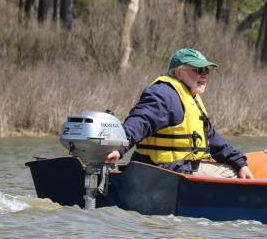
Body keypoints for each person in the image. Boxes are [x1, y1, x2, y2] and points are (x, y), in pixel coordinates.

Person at [103, 48, 253, 179]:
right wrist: (119, 148)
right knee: (228, 177)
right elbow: (140, 121)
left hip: (183, 167)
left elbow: (212, 139)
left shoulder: (191, 98)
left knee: (234, 171)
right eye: (199, 70)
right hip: (161, 171)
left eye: (207, 70)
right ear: (179, 73)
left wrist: (240, 163)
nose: (204, 75)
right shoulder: (162, 94)